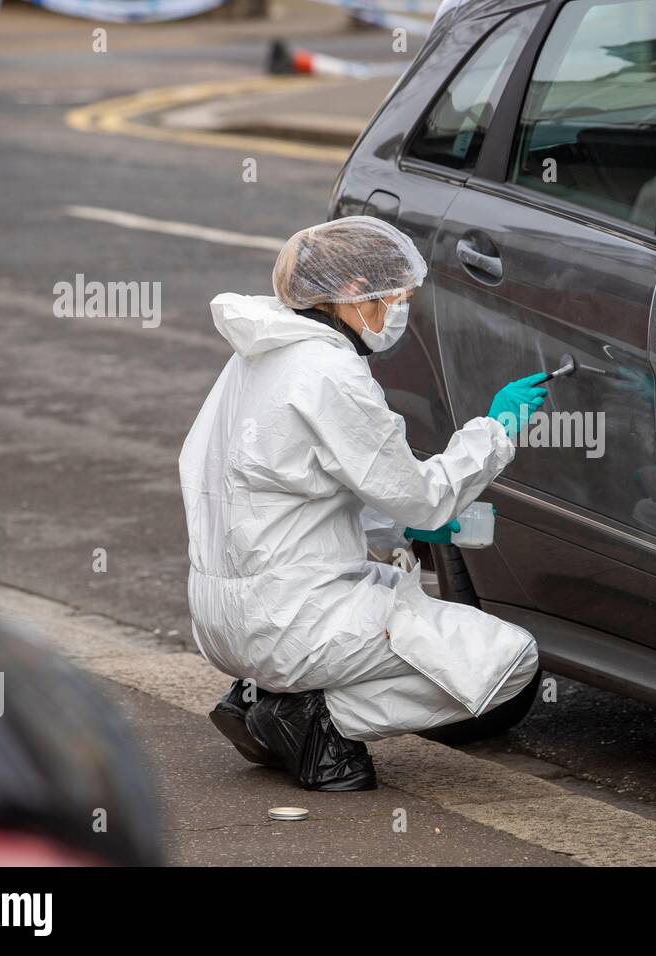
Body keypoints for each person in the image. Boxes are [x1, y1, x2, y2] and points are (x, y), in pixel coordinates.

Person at [178, 216, 548, 791]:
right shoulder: (330, 372)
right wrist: (496, 431)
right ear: (351, 293)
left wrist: (402, 533)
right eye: (393, 298)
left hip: (222, 616)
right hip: (288, 622)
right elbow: (422, 497)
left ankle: (260, 696)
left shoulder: (256, 356)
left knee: (387, 598)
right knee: (508, 660)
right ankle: (307, 715)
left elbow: (295, 483)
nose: (397, 312)